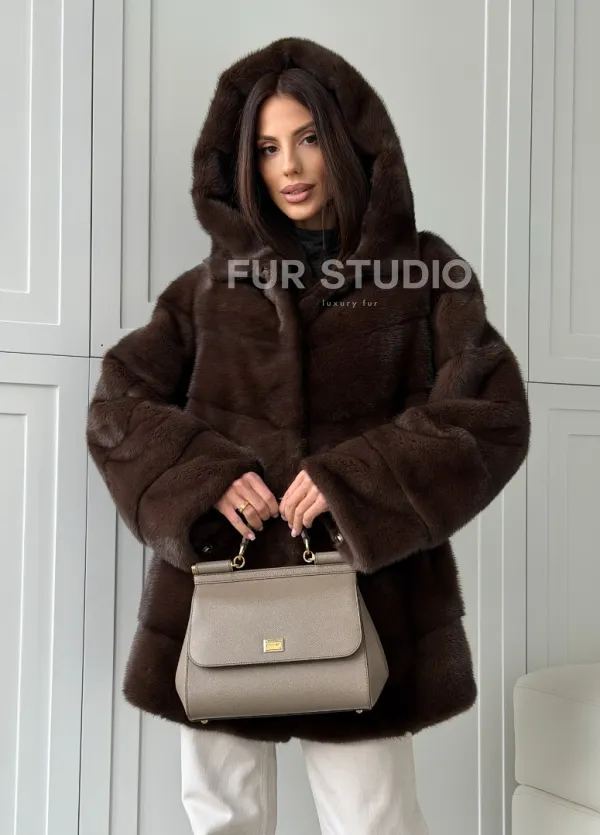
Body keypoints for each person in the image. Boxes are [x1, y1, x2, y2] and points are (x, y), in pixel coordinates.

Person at [86, 36, 530, 835]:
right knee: (223, 816)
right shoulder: (204, 293)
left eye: (308, 138)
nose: (288, 166)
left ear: (348, 142)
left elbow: (491, 411)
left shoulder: (423, 276)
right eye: (266, 148)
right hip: (222, 591)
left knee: (374, 819)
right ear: (243, 163)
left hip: (367, 594)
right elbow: (117, 406)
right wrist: (202, 474)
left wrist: (353, 480)